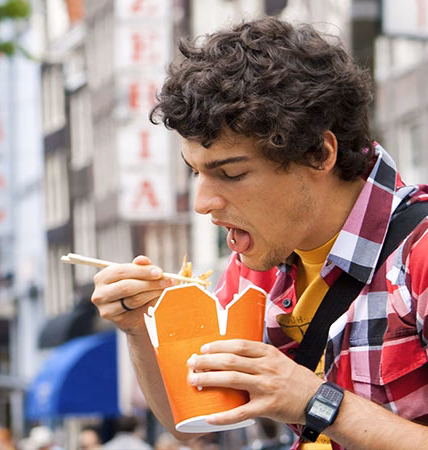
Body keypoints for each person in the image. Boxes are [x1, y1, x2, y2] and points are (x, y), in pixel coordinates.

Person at [90, 16, 428, 450]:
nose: (203, 203)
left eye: (229, 173)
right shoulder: (257, 267)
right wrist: (137, 328)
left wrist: (315, 402)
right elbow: (197, 425)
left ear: (319, 153)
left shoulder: (417, 255)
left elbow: (311, 404)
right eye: (195, 173)